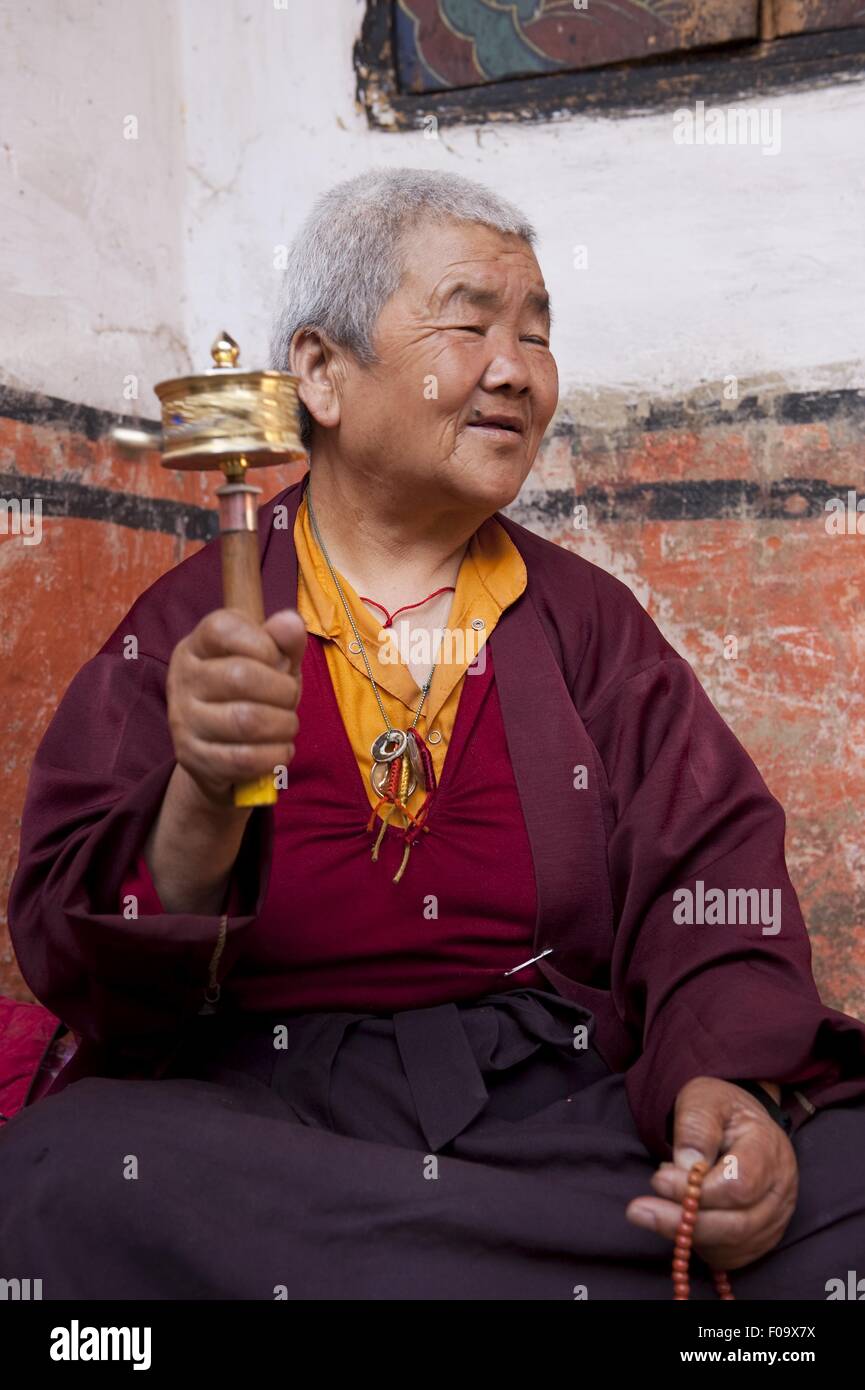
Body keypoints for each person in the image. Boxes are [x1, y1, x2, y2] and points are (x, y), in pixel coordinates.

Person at [1, 167, 864, 1300]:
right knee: (70, 1182)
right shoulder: (185, 627)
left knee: (841, 1181)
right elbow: (76, 956)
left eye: (538, 333)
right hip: (264, 1108)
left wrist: (725, 1086)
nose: (514, 369)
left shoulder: (585, 625)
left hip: (544, 1098)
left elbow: (707, 880)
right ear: (320, 371)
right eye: (469, 320)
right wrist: (201, 798)